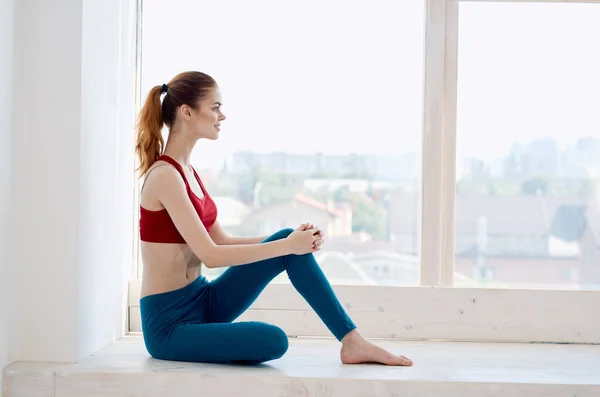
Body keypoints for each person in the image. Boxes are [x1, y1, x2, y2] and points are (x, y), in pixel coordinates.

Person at [135, 71, 413, 366]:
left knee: (284, 237)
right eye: (215, 107)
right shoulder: (165, 176)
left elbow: (221, 241)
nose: (223, 115)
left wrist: (291, 242)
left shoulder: (188, 172)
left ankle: (353, 342)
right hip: (169, 325)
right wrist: (288, 246)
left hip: (203, 300)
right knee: (274, 340)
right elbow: (211, 255)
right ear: (187, 112)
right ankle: (206, 338)